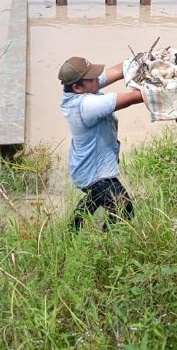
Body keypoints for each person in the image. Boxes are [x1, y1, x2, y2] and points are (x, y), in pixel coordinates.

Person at [58, 56, 144, 231]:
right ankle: (107, 242)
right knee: (124, 210)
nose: (98, 79)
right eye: (93, 77)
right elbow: (130, 99)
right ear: (77, 87)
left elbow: (117, 70)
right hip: (96, 174)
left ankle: (70, 234)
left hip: (85, 167)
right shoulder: (85, 105)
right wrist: (161, 88)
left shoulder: (83, 89)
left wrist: (143, 61)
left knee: (96, 199)